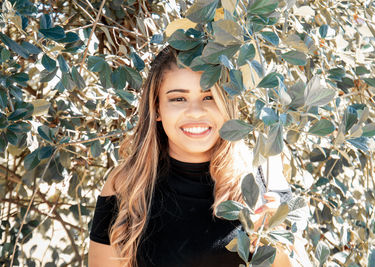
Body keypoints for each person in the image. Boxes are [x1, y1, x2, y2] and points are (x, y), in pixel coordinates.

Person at [88, 46, 293, 267]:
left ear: (227, 104)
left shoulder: (262, 178)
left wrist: (273, 237)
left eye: (209, 97)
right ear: (157, 108)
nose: (195, 111)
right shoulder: (126, 183)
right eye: (178, 99)